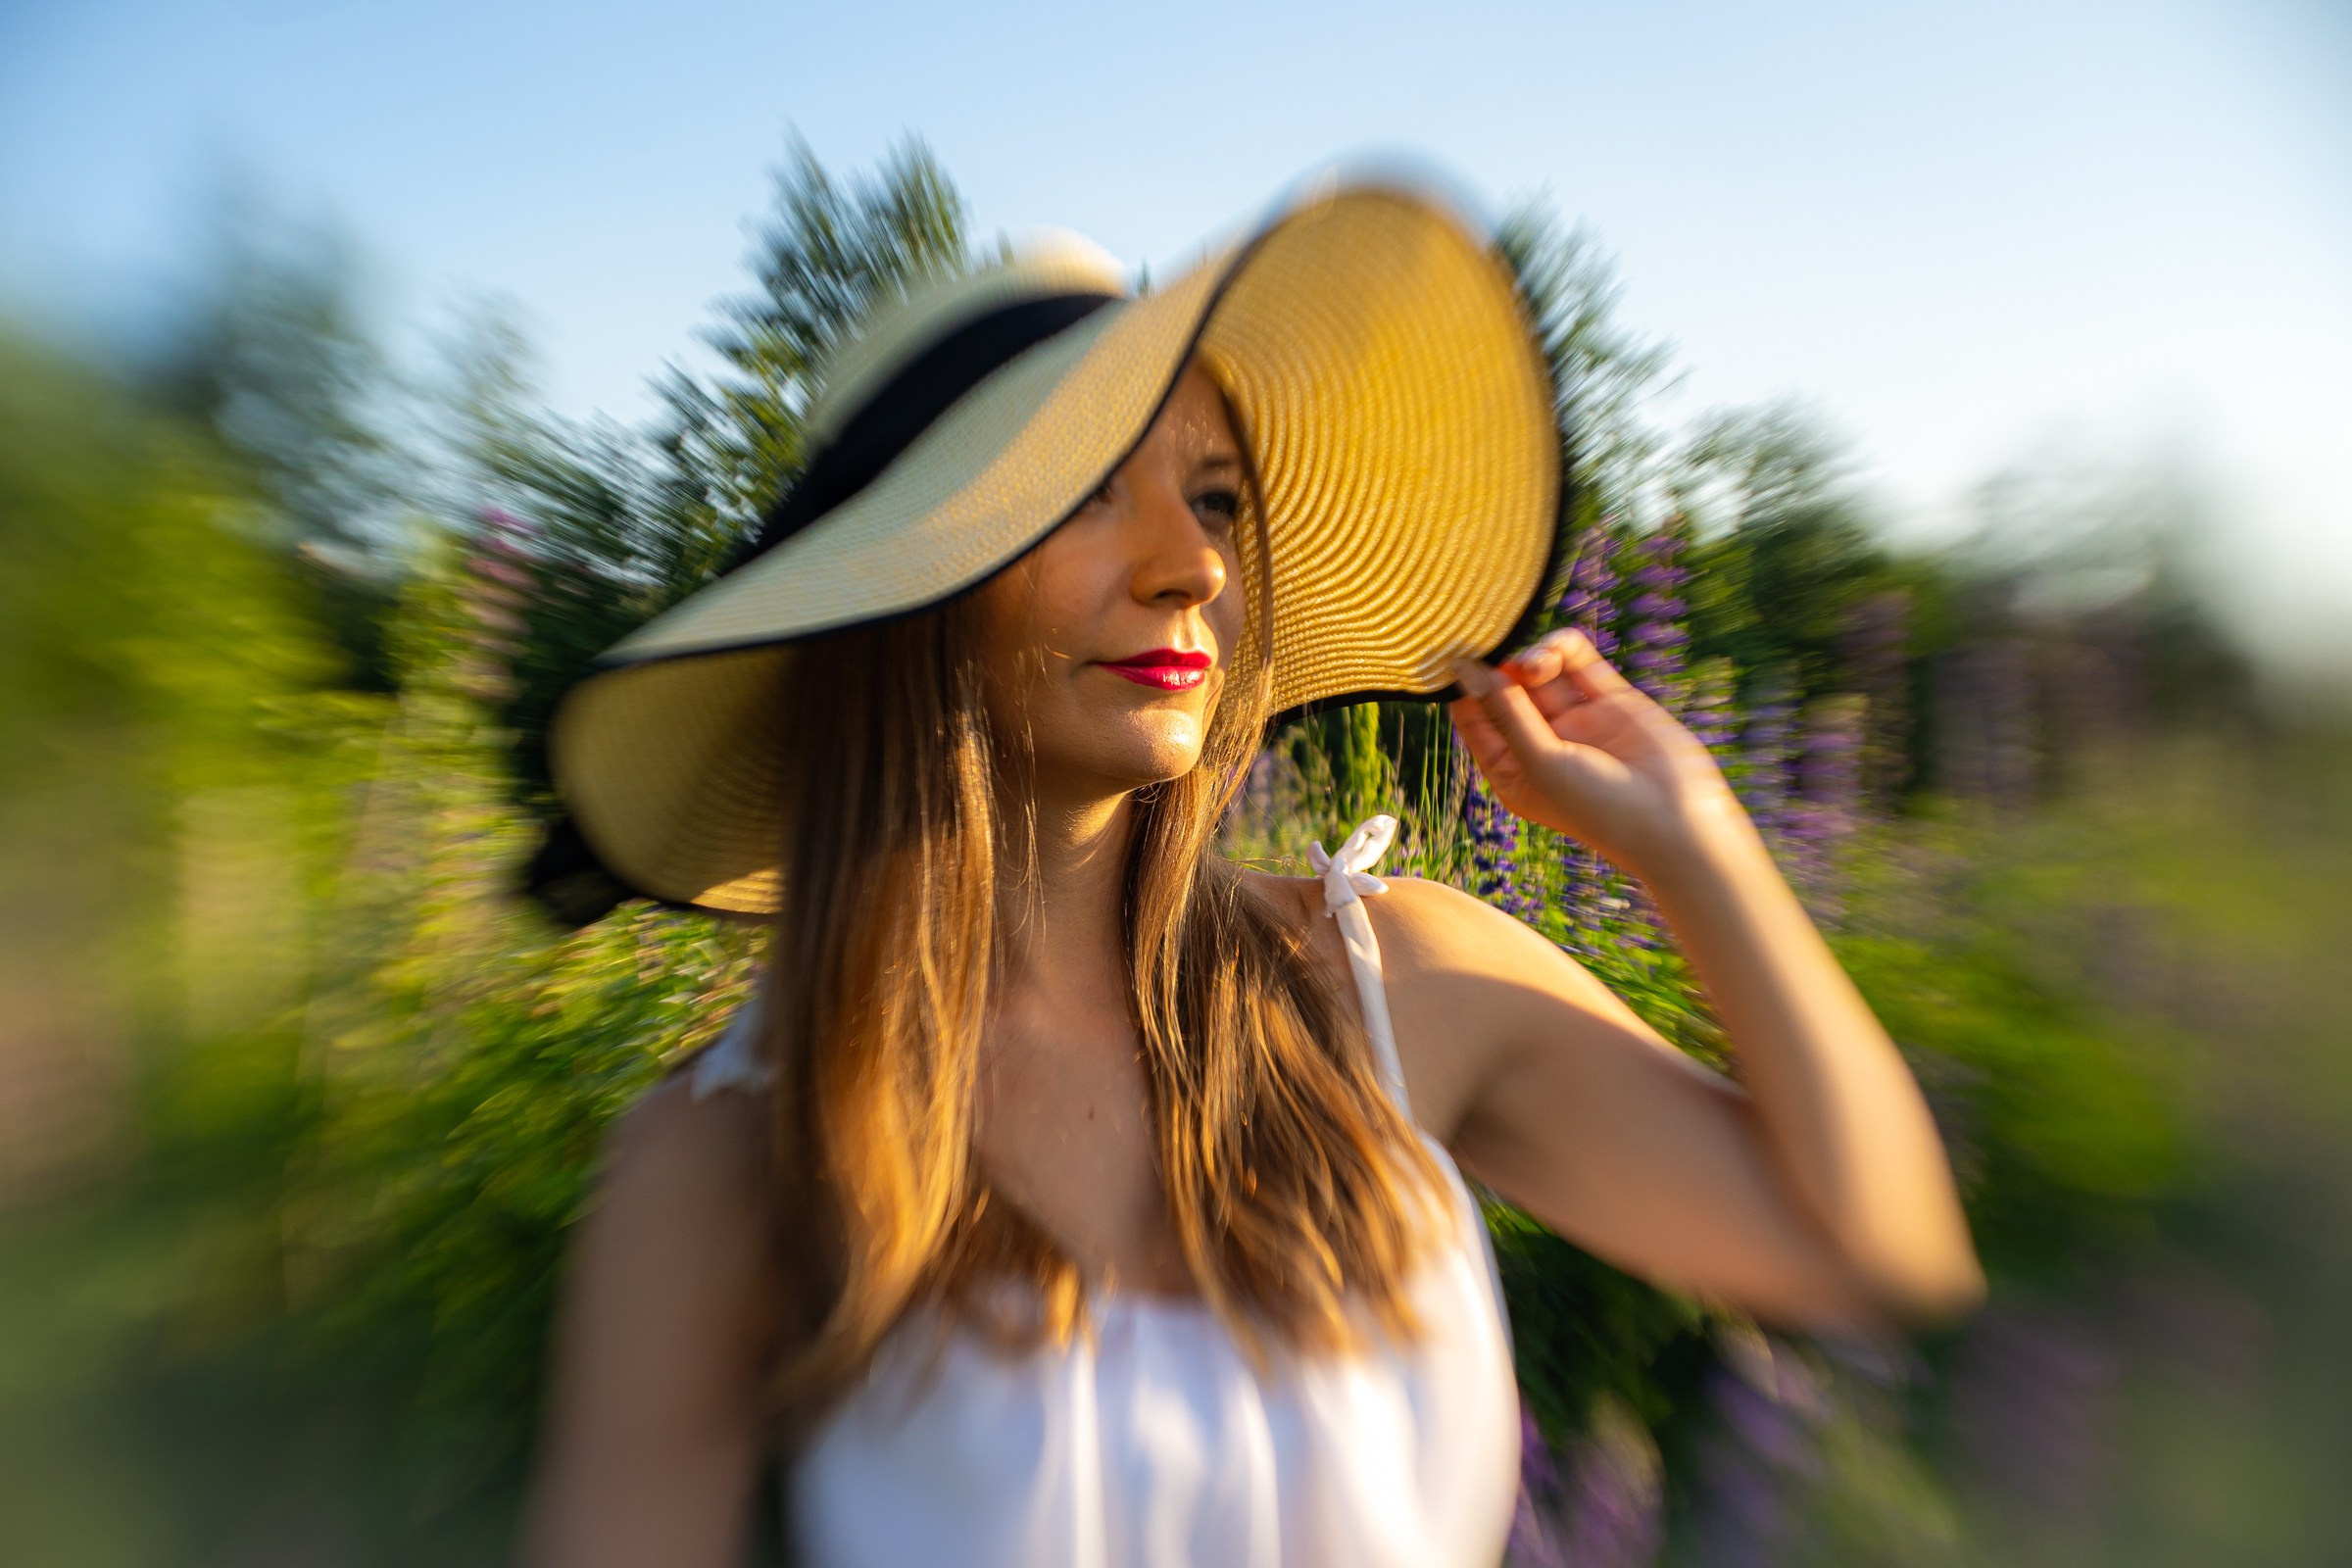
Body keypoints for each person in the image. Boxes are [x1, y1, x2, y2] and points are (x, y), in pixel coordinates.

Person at [516, 174, 1983, 1568]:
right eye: (1090, 488)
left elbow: (1873, 1253)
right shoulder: (734, 1153)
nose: (1191, 567)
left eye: (1214, 499)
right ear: (910, 594)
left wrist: (1695, 840)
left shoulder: (1394, 981)